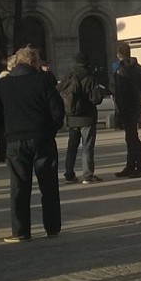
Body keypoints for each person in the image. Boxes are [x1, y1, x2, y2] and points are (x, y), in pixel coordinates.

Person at [0, 47, 64, 242]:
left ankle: (21, 231)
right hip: (42, 138)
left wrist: (7, 128)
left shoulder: (4, 84)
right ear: (33, 62)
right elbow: (57, 110)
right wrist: (51, 130)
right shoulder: (44, 81)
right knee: (48, 185)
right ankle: (52, 227)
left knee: (19, 186)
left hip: (15, 139)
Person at [59, 55, 103, 185]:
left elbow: (58, 91)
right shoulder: (89, 77)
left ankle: (69, 174)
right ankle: (88, 175)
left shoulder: (69, 76)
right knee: (87, 147)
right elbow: (96, 99)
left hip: (71, 117)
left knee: (72, 147)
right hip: (87, 117)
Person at [111, 43, 141, 178]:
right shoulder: (138, 67)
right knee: (131, 136)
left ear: (118, 54)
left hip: (126, 107)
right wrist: (137, 99)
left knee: (132, 138)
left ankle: (139, 167)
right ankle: (131, 165)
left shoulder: (120, 70)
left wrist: (120, 110)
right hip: (135, 105)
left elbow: (118, 92)